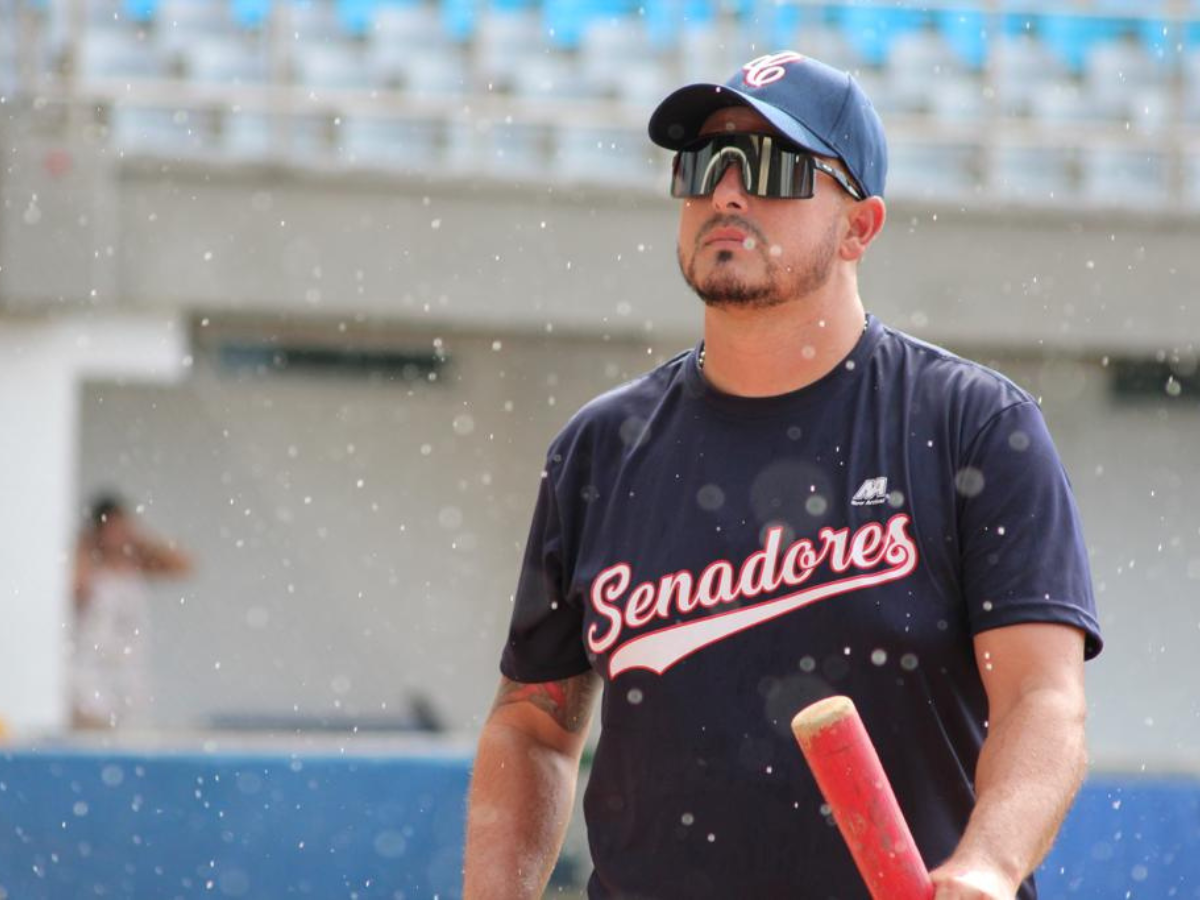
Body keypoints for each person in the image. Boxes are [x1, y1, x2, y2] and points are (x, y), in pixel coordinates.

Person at [464, 52, 1102, 900]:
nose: (726, 193)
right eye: (703, 166)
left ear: (859, 227)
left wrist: (987, 864)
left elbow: (1042, 702)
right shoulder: (600, 449)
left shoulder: (972, 428)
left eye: (769, 166)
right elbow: (534, 722)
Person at [71, 493, 191, 729]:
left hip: (130, 673)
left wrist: (139, 541)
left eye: (122, 528)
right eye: (111, 529)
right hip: (92, 673)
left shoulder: (135, 564)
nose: (117, 536)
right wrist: (86, 545)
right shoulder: (87, 567)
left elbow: (184, 565)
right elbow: (76, 586)